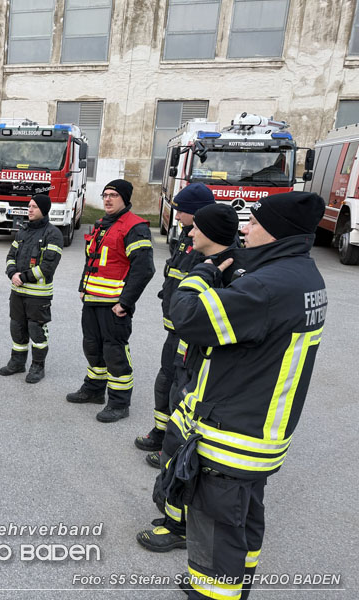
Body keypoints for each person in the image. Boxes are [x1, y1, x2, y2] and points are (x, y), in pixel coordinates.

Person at [166, 192, 326, 599]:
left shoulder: (269, 287)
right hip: (263, 432)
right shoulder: (304, 276)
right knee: (244, 518)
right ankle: (238, 580)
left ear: (275, 232)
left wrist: (200, 274)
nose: (245, 229)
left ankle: (215, 590)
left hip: (232, 433)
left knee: (216, 528)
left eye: (253, 223)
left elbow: (187, 317)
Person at [136, 201, 240, 554]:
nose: (190, 231)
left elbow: (193, 316)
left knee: (185, 452)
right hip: (188, 360)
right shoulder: (208, 261)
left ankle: (177, 526)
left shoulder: (231, 272)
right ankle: (171, 514)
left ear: (212, 233)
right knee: (174, 444)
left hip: (205, 380)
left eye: (198, 227)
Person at [134, 183, 214, 453]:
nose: (176, 216)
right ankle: (160, 433)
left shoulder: (207, 245)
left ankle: (174, 447)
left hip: (189, 336)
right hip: (174, 331)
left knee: (181, 389)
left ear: (198, 213)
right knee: (165, 382)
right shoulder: (187, 238)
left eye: (181, 212)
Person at [66, 179, 154, 422]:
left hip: (115, 305)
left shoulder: (135, 227)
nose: (107, 199)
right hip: (92, 300)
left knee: (115, 353)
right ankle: (94, 390)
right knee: (92, 347)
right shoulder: (101, 225)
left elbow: (144, 269)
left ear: (125, 199)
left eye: (113, 195)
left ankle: (119, 403)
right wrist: (82, 287)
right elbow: (91, 258)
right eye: (105, 194)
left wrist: (125, 303)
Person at [0, 194, 63, 383]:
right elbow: (11, 255)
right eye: (29, 206)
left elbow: (48, 266)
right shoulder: (23, 231)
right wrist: (12, 273)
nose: (30, 210)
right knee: (17, 328)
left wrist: (23, 277)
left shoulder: (53, 234)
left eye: (34, 206)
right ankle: (17, 362)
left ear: (44, 210)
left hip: (38, 296)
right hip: (18, 293)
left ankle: (37, 366)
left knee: (37, 331)